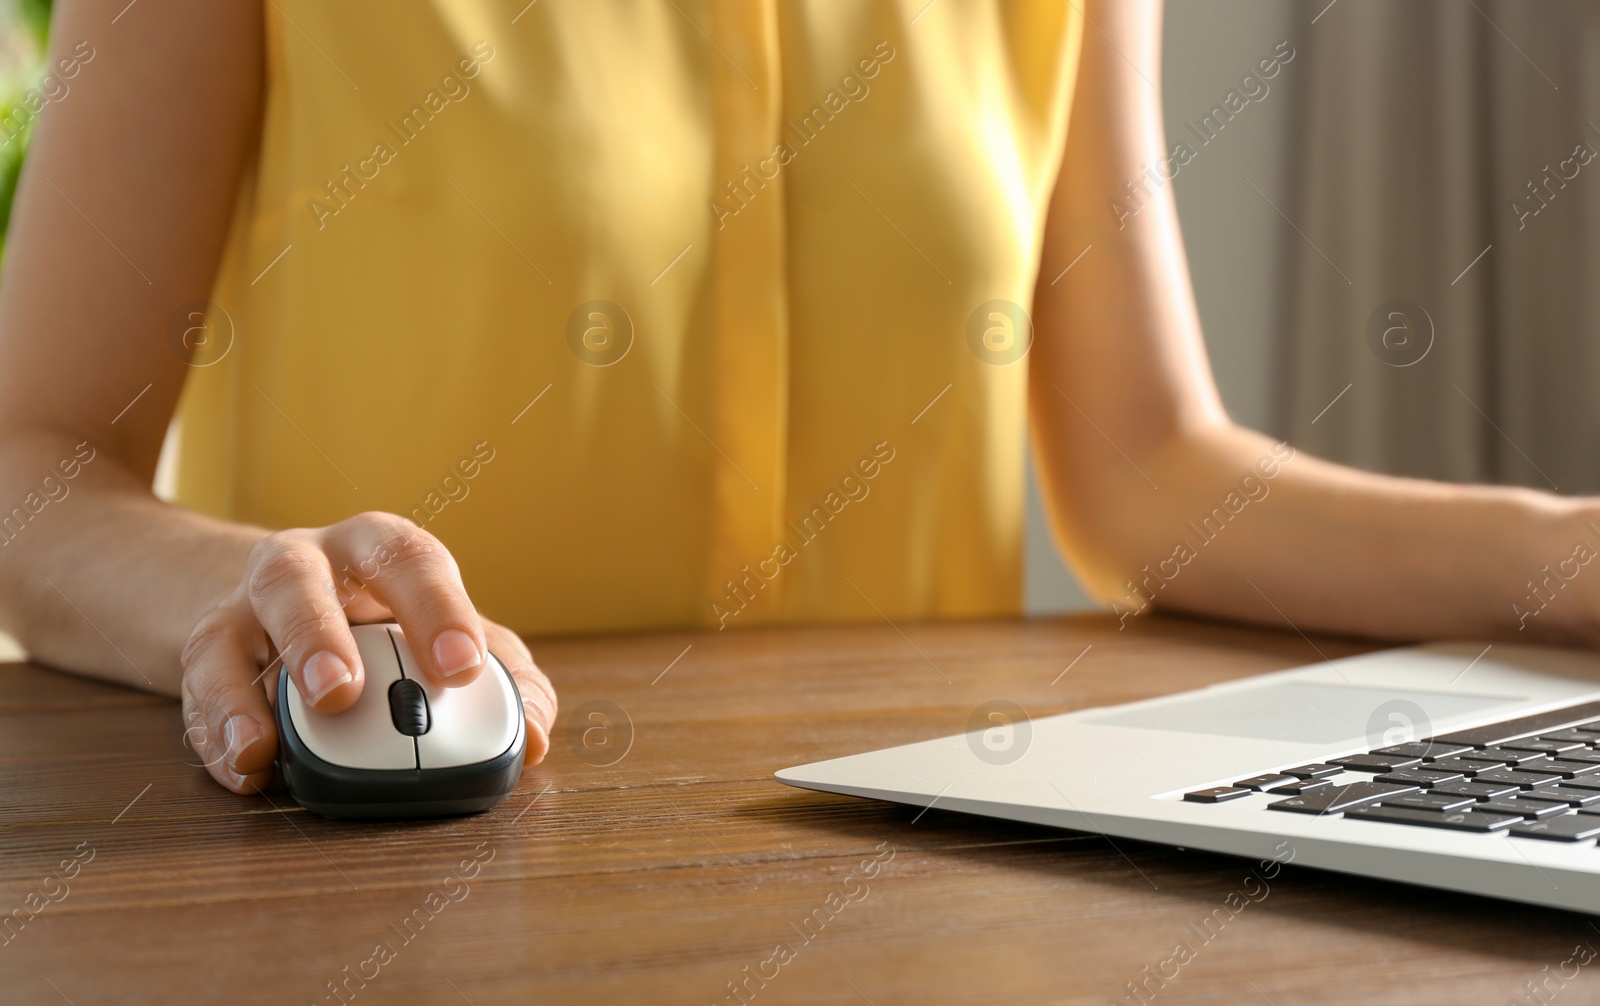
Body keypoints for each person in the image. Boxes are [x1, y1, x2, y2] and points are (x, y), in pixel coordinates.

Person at [0, 0, 1590, 797]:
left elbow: (1153, 475)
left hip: (918, 867)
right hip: (395, 886)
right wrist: (246, 593)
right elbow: (28, 455)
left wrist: (1565, 549)